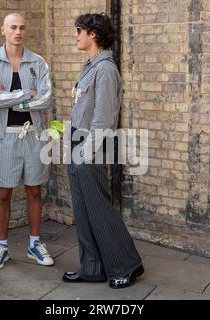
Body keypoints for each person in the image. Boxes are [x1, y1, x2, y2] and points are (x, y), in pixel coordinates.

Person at [63, 13, 144, 289]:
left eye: (79, 31)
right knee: (84, 211)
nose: (76, 36)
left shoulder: (106, 70)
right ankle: (92, 267)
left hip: (91, 148)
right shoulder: (90, 67)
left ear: (93, 34)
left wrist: (84, 153)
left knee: (100, 209)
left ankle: (127, 265)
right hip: (77, 143)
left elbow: (104, 120)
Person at [0, 13, 54, 270]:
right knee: (4, 192)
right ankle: (2, 247)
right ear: (3, 29)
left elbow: (45, 99)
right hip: (4, 136)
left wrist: (11, 96)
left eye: (22, 27)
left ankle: (34, 243)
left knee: (34, 190)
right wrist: (27, 93)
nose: (18, 32)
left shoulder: (38, 62)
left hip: (33, 135)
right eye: (13, 27)